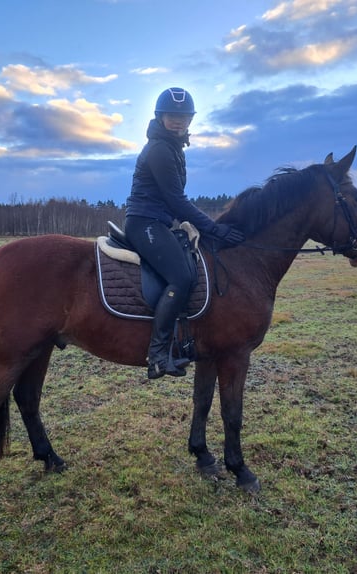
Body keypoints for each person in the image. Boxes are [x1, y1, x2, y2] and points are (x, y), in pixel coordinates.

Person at [124, 87, 245, 379]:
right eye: (172, 116)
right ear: (161, 117)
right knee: (181, 276)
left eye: (184, 117)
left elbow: (175, 201)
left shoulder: (173, 147)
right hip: (145, 223)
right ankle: (157, 355)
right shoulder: (161, 150)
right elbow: (176, 200)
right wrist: (214, 227)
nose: (178, 122)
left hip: (159, 222)